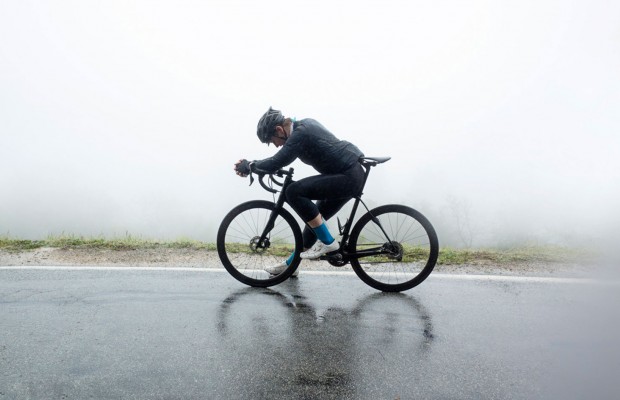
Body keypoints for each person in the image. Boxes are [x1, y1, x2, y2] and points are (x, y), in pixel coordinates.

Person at [234, 107, 365, 275]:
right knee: (314, 221)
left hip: (347, 177)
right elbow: (282, 158)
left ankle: (328, 243)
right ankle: (292, 265)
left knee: (293, 191)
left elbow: (278, 160)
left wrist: (251, 165)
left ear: (279, 130)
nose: (275, 145)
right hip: (347, 175)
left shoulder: (301, 133)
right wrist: (257, 166)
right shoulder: (303, 126)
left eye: (272, 140)